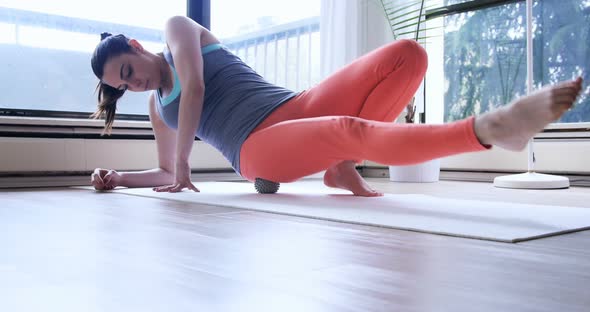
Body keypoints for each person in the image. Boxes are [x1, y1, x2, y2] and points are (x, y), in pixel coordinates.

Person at [90, 16, 584, 197]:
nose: (134, 85)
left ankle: (338, 169)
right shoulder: (159, 108)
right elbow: (163, 172)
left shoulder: (177, 30)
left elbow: (195, 87)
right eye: (123, 87)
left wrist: (181, 166)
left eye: (128, 72)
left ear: (135, 45)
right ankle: (490, 130)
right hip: (256, 150)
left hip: (294, 105)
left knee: (407, 56)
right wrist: (120, 179)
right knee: (347, 126)